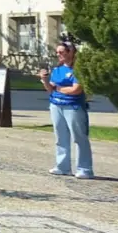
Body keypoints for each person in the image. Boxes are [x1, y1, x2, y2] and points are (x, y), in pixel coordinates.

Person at [40, 42, 93, 179]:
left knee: (79, 137)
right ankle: (62, 166)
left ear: (70, 52)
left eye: (61, 52)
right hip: (56, 105)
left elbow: (76, 90)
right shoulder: (57, 70)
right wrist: (45, 80)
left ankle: (84, 168)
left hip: (73, 106)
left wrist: (59, 89)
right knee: (60, 137)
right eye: (57, 52)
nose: (58, 55)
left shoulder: (78, 70)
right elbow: (50, 88)